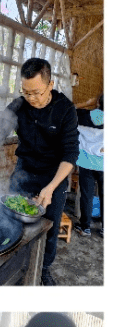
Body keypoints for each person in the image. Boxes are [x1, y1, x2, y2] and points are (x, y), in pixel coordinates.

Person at [0, 58, 79, 286]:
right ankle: (14, 265)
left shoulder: (65, 109)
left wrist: (50, 188)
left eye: (37, 92)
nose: (31, 98)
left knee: (49, 227)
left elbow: (70, 155)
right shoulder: (18, 106)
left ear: (50, 84)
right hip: (23, 172)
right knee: (11, 223)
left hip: (52, 178)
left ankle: (43, 268)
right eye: (26, 92)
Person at [73, 94, 104, 238]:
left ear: (98, 102)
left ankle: (85, 227)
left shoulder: (84, 116)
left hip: (87, 162)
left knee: (87, 195)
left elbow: (69, 110)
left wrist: (87, 101)